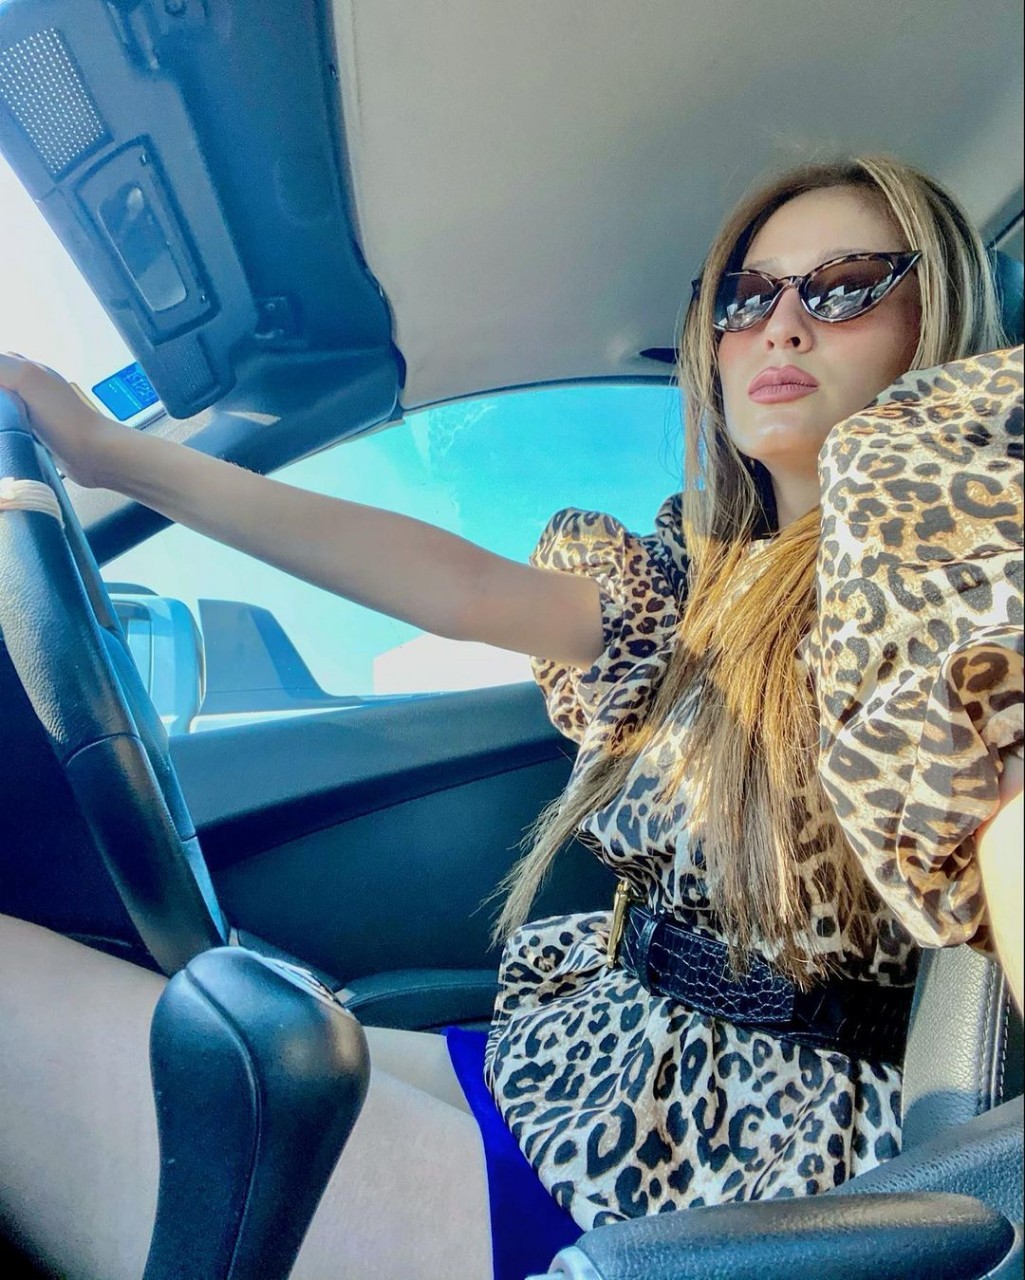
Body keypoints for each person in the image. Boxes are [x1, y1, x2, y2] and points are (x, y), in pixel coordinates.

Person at [0, 155, 1021, 1280]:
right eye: (744, 295)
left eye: (843, 285)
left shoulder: (959, 567)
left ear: (937, 314)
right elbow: (457, 586)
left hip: (736, 1176)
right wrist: (109, 455)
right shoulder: (693, 585)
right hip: (595, 1061)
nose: (779, 325)